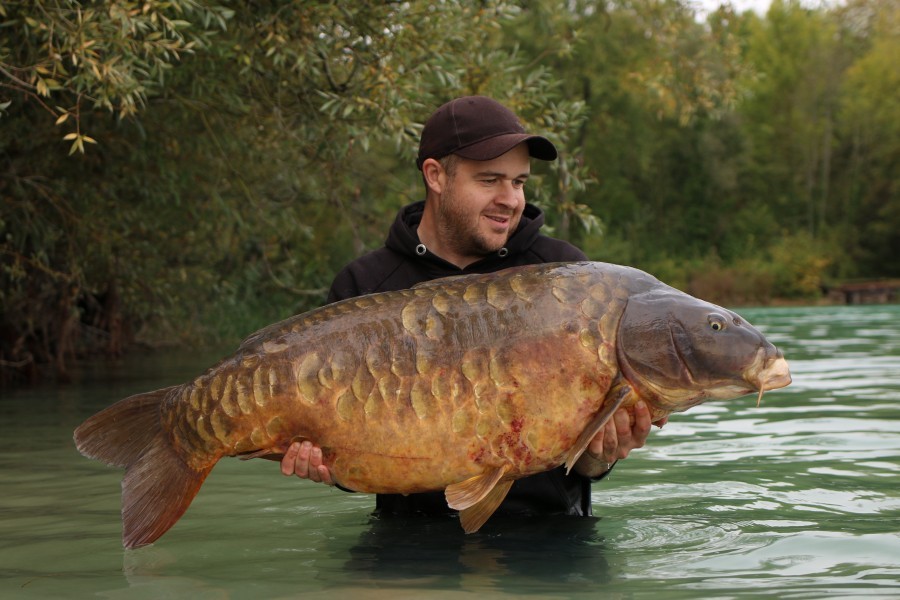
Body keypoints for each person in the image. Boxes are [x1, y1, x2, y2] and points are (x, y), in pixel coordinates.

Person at [280, 95, 663, 519]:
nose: (511, 199)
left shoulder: (564, 278)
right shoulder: (366, 286)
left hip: (551, 542)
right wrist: (328, 467)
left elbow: (585, 463)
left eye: (518, 182)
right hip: (406, 550)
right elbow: (356, 460)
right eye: (490, 180)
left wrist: (602, 455)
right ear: (436, 175)